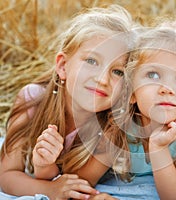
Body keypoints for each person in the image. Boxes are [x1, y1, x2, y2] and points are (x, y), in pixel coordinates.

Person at [72, 26, 176, 200]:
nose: (167, 89)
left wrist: (158, 148)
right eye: (153, 75)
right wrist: (94, 197)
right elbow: (80, 181)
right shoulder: (119, 132)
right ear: (130, 92)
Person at [0, 4, 133, 200]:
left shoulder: (113, 126)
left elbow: (76, 184)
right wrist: (49, 189)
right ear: (63, 66)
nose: (103, 80)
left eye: (118, 72)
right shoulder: (32, 100)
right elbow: (6, 176)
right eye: (92, 61)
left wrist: (45, 168)